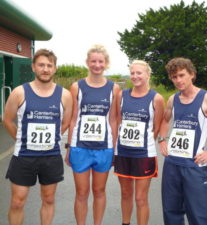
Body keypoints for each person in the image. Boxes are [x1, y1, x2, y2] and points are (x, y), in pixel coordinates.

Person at [159, 57, 207, 225]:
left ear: (192, 74)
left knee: (200, 216)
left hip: (194, 165)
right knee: (171, 212)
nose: (178, 80)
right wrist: (162, 140)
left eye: (181, 75)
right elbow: (165, 120)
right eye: (174, 77)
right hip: (172, 164)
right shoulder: (172, 99)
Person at [3, 49, 73, 225]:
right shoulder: (20, 92)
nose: (45, 69)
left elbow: (65, 122)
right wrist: (20, 139)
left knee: (48, 199)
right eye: (41, 65)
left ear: (55, 69)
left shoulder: (64, 95)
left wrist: (53, 137)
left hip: (51, 157)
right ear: (33, 67)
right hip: (24, 157)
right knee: (17, 201)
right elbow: (8, 120)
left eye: (49, 65)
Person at [65, 44, 120, 225]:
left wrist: (114, 149)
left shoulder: (114, 89)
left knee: (99, 191)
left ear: (106, 64)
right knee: (81, 193)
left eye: (100, 61)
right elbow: (73, 119)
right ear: (87, 63)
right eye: (93, 61)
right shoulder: (77, 87)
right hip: (80, 147)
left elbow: (113, 120)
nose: (97, 65)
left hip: (104, 148)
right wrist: (69, 147)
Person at [114, 60, 164, 225]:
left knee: (140, 198)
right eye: (132, 73)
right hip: (123, 152)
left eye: (139, 73)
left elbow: (156, 127)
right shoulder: (122, 95)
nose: (135, 76)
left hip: (143, 154)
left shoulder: (156, 98)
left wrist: (146, 142)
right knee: (126, 194)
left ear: (148, 75)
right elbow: (119, 121)